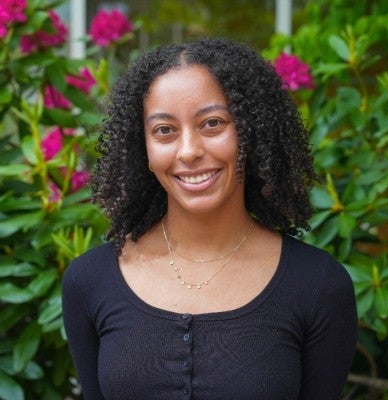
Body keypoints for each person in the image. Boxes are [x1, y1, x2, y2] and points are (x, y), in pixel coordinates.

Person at [62, 37, 358, 400]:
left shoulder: (318, 286)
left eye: (213, 123)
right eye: (164, 131)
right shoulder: (89, 281)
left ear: (252, 133)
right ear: (144, 149)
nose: (189, 151)